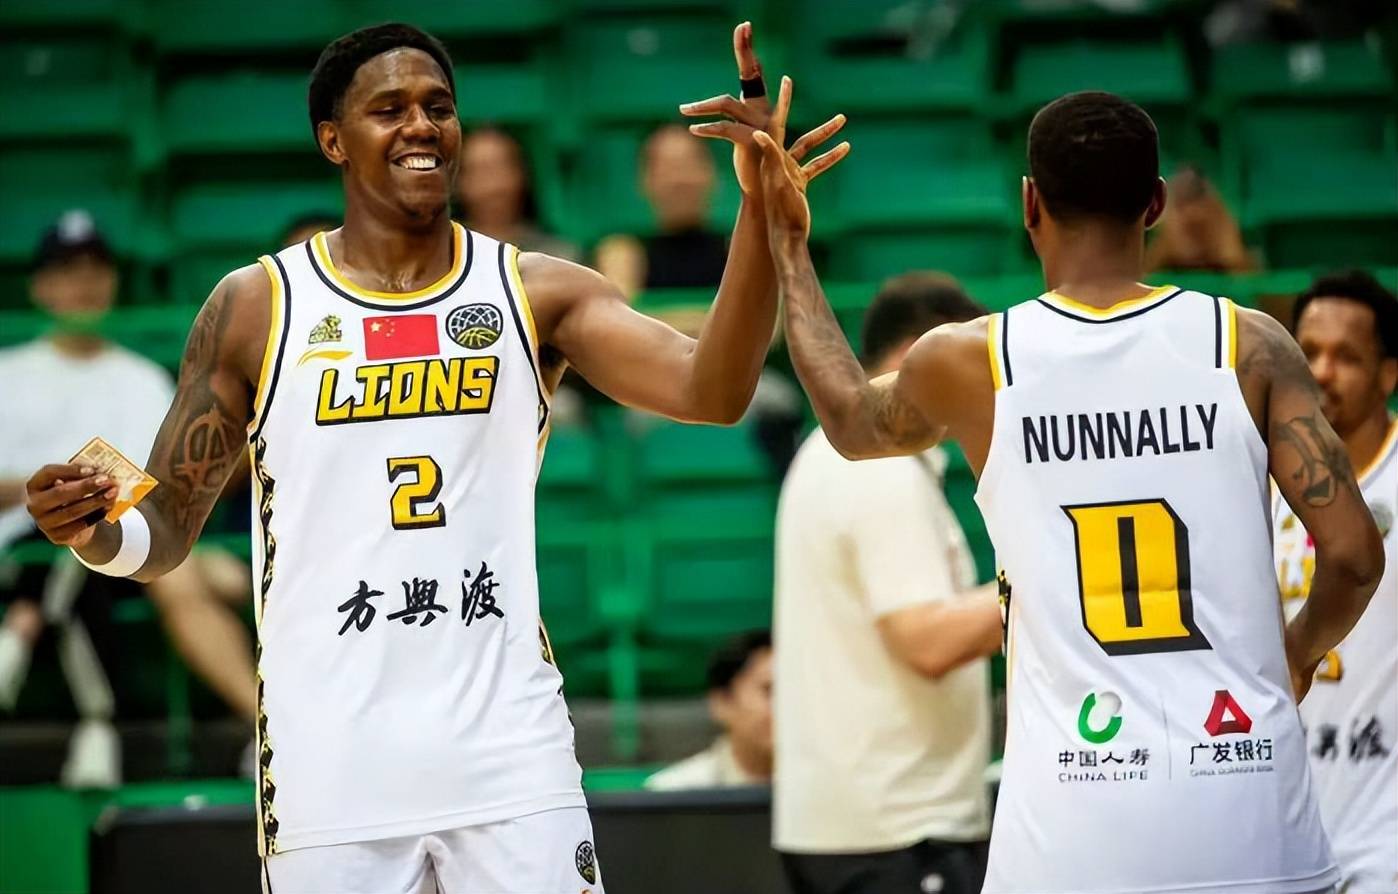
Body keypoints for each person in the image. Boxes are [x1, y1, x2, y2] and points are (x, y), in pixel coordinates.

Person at [23, 22, 847, 893]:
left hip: (510, 756)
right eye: (389, 109)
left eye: (438, 107)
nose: (421, 124)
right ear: (333, 140)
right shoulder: (256, 307)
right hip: (328, 763)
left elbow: (713, 393)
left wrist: (757, 212)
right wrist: (91, 530)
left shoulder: (536, 290)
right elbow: (162, 533)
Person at [749, 89, 1384, 893]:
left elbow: (847, 421)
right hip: (1250, 808)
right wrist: (1294, 656)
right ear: (1155, 204)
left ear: (1029, 204)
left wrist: (788, 245)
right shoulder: (1248, 343)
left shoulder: (973, 360)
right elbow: (1355, 556)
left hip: (1073, 824)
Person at [0, 210, 258, 787]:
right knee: (79, 535)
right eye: (67, 271)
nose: (84, 284)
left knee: (195, 569)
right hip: (24, 545)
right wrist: (53, 490)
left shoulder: (142, 378)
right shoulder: (7, 374)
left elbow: (169, 492)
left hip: (127, 540)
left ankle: (23, 628)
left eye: (95, 270)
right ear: (40, 286)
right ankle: (255, 729)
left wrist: (87, 494)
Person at [773, 272, 1001, 894]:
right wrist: (1049, 580)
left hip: (861, 826)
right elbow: (926, 640)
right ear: (916, 359)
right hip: (899, 831)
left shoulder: (834, 454)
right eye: (971, 366)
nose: (985, 389)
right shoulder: (882, 469)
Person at [1274, 270, 1397, 894]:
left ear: (1388, 374)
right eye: (1309, 353)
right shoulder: (1260, 483)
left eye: (1346, 357)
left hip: (1385, 833)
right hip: (1283, 822)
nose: (1321, 372)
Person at [595, 124, 730, 301]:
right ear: (645, 180)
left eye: (689, 165)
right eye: (669, 168)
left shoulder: (735, 251)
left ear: (713, 175)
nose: (680, 180)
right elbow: (617, 310)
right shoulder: (624, 253)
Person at [644, 629, 772, 791]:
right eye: (769, 690)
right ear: (722, 702)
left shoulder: (805, 791)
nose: (784, 708)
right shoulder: (672, 791)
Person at [454, 126, 580, 262]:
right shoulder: (445, 256)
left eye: (501, 169)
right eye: (480, 172)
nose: (493, 186)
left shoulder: (559, 255)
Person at [1144, 166, 1256, 274]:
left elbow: (1236, 263)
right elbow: (1150, 269)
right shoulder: (1172, 221)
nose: (1191, 215)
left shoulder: (1218, 218)